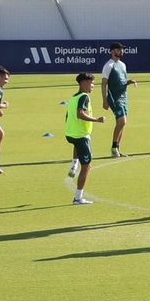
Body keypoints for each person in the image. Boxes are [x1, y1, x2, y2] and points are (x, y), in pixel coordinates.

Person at [64, 72, 106, 204]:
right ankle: (78, 197)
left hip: (70, 133)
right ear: (84, 83)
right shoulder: (84, 97)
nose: (93, 85)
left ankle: (73, 165)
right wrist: (97, 120)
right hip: (80, 135)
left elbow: (67, 116)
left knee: (77, 148)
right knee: (87, 166)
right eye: (91, 83)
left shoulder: (73, 97)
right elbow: (80, 114)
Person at [99, 42, 135, 158]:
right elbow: (104, 84)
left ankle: (117, 149)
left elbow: (122, 81)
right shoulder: (108, 66)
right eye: (119, 50)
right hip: (114, 98)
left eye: (122, 49)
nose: (121, 51)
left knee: (122, 124)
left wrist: (129, 82)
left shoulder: (123, 65)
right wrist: (104, 100)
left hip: (124, 97)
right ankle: (114, 147)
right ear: (112, 51)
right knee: (122, 121)